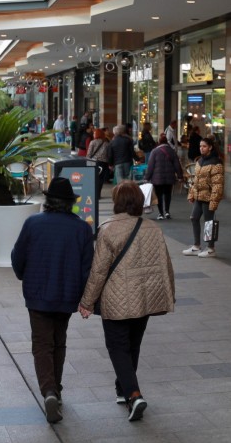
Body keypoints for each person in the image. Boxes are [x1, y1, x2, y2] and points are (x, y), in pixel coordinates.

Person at [78, 181, 175, 421]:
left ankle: (133, 394)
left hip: (116, 299)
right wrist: (168, 295)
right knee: (133, 344)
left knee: (117, 347)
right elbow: (166, 265)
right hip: (145, 297)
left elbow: (99, 271)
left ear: (117, 202)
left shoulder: (108, 229)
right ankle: (123, 389)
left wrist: (87, 302)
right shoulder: (153, 228)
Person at [10, 177, 94, 423]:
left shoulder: (33, 223)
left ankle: (49, 391)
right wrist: (86, 298)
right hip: (67, 295)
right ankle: (55, 388)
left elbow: (18, 256)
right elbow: (87, 267)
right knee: (59, 341)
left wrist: (22, 275)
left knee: (42, 344)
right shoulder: (82, 228)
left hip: (37, 294)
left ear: (48, 201)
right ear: (70, 203)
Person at [184, 137, 224, 258]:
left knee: (209, 222)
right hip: (198, 197)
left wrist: (214, 202)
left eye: (204, 146)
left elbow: (218, 185)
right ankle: (196, 246)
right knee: (194, 218)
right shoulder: (200, 161)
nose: (201, 148)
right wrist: (191, 194)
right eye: (200, 146)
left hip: (208, 197)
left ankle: (211, 248)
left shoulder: (216, 163)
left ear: (210, 147)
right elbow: (195, 180)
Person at [144, 132, 182, 220]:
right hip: (170, 178)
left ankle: (161, 214)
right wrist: (180, 176)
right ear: (167, 142)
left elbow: (150, 166)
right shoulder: (172, 151)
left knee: (159, 196)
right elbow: (177, 165)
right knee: (168, 195)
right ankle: (167, 212)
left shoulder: (154, 152)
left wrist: (147, 178)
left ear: (159, 142)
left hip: (157, 179)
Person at [86, 127, 112, 198]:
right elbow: (108, 154)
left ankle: (92, 193)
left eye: (94, 133)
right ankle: (98, 194)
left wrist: (87, 162)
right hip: (103, 163)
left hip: (93, 162)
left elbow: (89, 154)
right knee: (100, 179)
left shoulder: (92, 142)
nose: (93, 134)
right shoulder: (106, 143)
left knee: (92, 178)